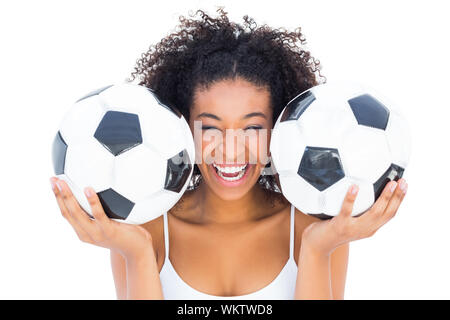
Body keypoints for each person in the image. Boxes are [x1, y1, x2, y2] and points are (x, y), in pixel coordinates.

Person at [49, 8, 408, 300]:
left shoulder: (317, 225)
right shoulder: (144, 226)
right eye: (210, 126)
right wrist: (136, 253)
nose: (231, 149)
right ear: (182, 129)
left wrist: (317, 249)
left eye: (252, 128)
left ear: (279, 130)